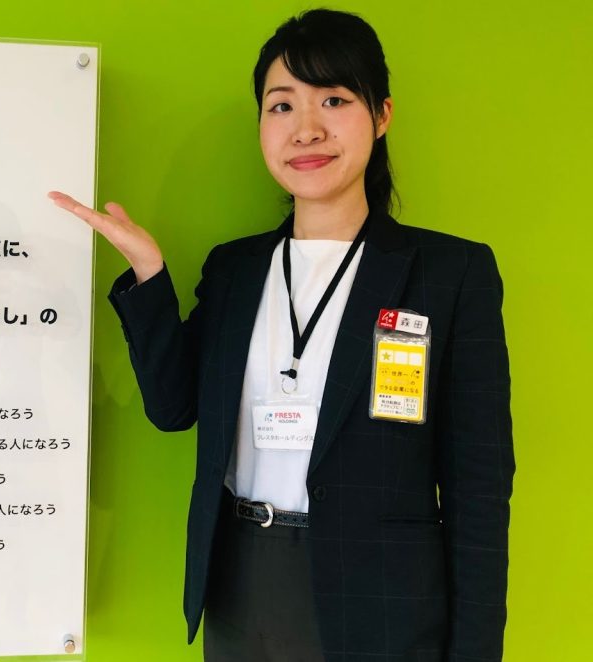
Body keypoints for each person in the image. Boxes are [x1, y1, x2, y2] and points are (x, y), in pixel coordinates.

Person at [50, 8, 514, 662]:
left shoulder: (449, 273)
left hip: (382, 603)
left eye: (334, 100)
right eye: (281, 105)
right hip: (239, 587)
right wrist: (149, 276)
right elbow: (173, 409)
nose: (307, 128)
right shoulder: (235, 270)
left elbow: (479, 489)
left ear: (382, 115)